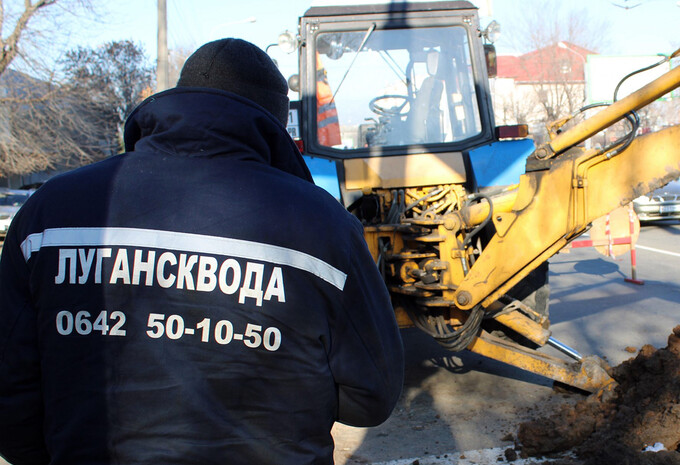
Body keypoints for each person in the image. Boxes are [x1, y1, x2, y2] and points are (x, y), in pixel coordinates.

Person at [0, 38, 404, 465]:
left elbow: (11, 389)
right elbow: (371, 396)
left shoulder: (49, 212)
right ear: (276, 121)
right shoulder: (323, 225)